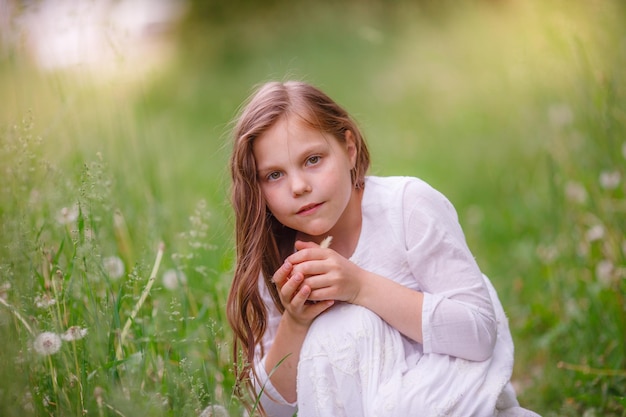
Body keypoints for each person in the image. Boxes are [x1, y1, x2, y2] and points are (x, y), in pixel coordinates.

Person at [226, 80, 540, 417]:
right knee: (335, 331)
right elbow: (267, 411)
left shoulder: (406, 208)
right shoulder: (277, 256)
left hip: (446, 401)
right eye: (274, 175)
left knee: (348, 325)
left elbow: (479, 334)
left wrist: (360, 286)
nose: (299, 186)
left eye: (313, 159)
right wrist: (296, 321)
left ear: (349, 149)